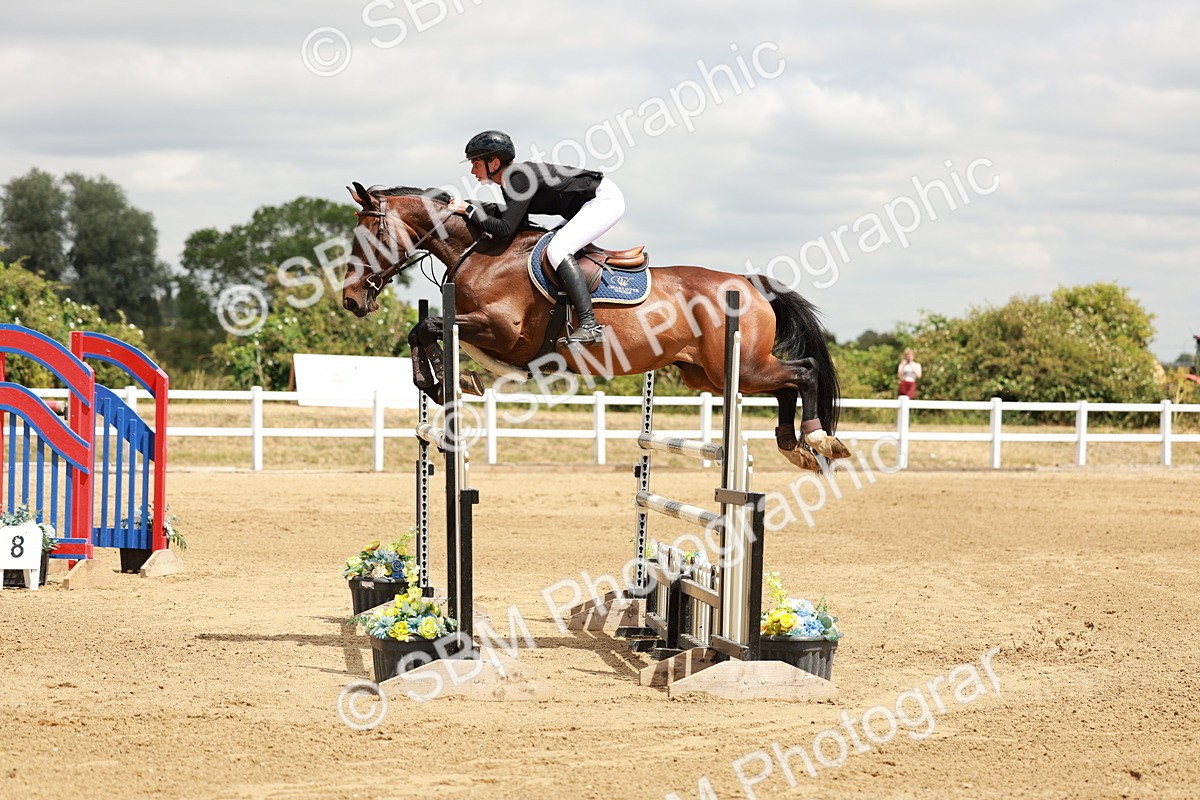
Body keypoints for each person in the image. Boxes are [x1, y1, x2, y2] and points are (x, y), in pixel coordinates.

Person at [446, 130, 624, 346]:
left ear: (493, 164)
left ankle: (590, 325)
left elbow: (504, 229)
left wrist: (469, 210)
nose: (472, 170)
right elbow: (513, 222)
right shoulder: (512, 179)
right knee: (549, 243)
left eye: (475, 163)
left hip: (604, 200)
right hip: (583, 206)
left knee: (557, 250)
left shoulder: (517, 178)